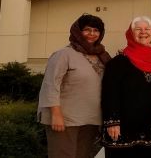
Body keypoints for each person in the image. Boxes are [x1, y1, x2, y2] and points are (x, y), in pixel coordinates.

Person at [38, 14, 111, 158]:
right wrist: (56, 114)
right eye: (87, 30)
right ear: (77, 31)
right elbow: (51, 84)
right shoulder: (64, 54)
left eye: (96, 30)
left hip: (90, 118)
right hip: (65, 118)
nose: (92, 34)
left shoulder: (102, 55)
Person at [101, 16, 151, 157]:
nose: (143, 32)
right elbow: (110, 93)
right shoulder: (119, 61)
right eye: (138, 29)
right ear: (131, 34)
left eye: (147, 29)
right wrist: (112, 123)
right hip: (124, 126)